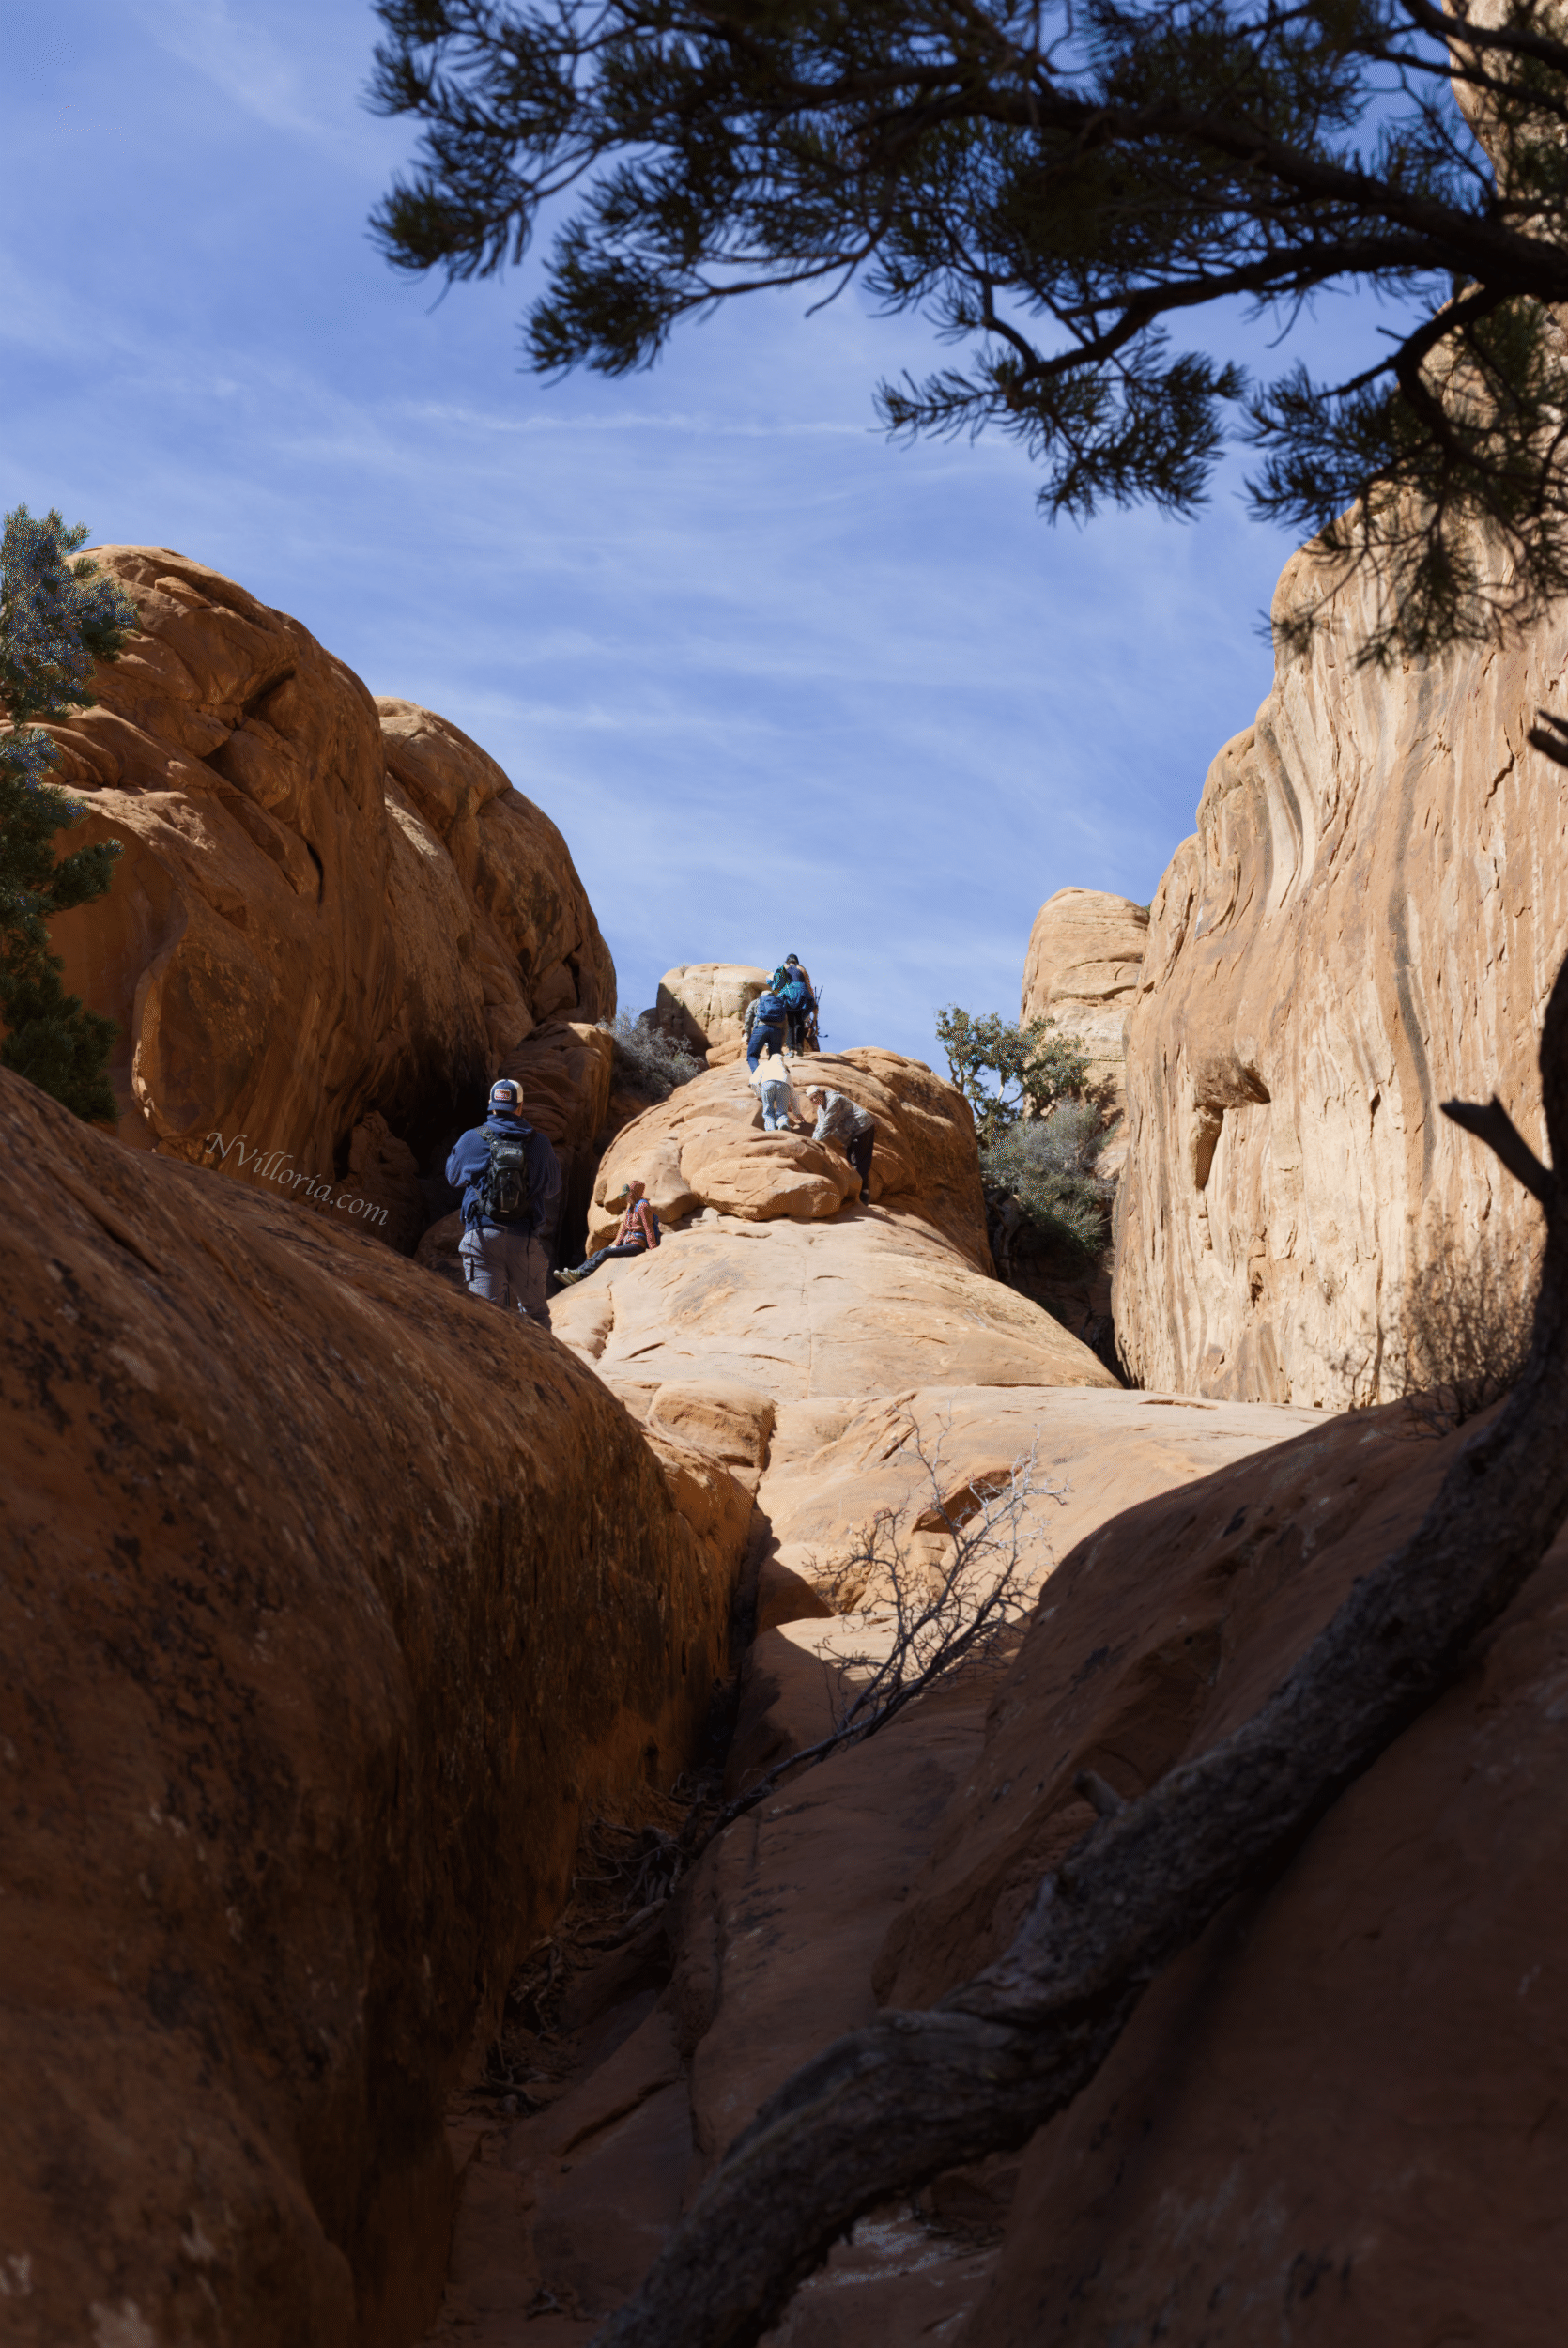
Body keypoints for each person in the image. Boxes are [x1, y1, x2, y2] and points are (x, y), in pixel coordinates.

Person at [445, 1078, 562, 1319]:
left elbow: (452, 1177)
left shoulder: (472, 1138)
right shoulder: (540, 1143)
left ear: (491, 1104)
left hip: (482, 1237)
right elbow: (553, 1189)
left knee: (487, 1315)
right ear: (520, 1107)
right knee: (536, 1314)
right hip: (524, 1239)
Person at [556, 1179, 661, 1284]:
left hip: (637, 1245)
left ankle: (580, 1275)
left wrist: (653, 1250)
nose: (626, 1198)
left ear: (634, 1193)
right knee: (600, 1252)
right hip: (627, 1243)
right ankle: (576, 1272)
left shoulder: (643, 1206)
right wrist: (615, 1244)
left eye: (628, 1195)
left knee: (605, 1252)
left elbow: (648, 1228)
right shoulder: (630, 1208)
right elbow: (623, 1229)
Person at [807, 1084, 876, 1204]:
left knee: (857, 1163)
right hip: (851, 1134)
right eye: (811, 1099)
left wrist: (815, 1142)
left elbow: (828, 1123)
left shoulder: (834, 1100)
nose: (814, 1100)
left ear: (821, 1093)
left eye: (815, 1097)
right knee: (852, 1162)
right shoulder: (821, 1109)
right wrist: (812, 1141)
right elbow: (820, 1126)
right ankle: (863, 1194)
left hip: (862, 1127)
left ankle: (860, 1198)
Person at [747, 1043, 804, 1132]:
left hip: (767, 1083)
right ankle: (783, 1124)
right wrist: (797, 1112)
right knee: (782, 1111)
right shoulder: (785, 1070)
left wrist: (759, 1095)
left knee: (768, 1111)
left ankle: (770, 1129)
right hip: (784, 1084)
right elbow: (793, 1095)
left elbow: (753, 1081)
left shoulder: (764, 1065)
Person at [769, 953, 818, 1053]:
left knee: (789, 1022)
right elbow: (809, 987)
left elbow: (775, 982)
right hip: (801, 993)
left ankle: (790, 1049)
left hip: (788, 993)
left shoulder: (783, 967)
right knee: (799, 1021)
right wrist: (814, 1002)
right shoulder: (802, 969)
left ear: (787, 961)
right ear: (797, 961)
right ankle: (799, 1046)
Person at [746, 984, 789, 1073]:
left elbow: (748, 1018)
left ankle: (758, 1076)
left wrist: (748, 1034)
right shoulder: (779, 1004)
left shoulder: (757, 1001)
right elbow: (785, 1024)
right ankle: (771, 1079)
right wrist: (782, 1042)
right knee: (774, 1058)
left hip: (760, 1028)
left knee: (752, 1056)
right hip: (777, 1031)